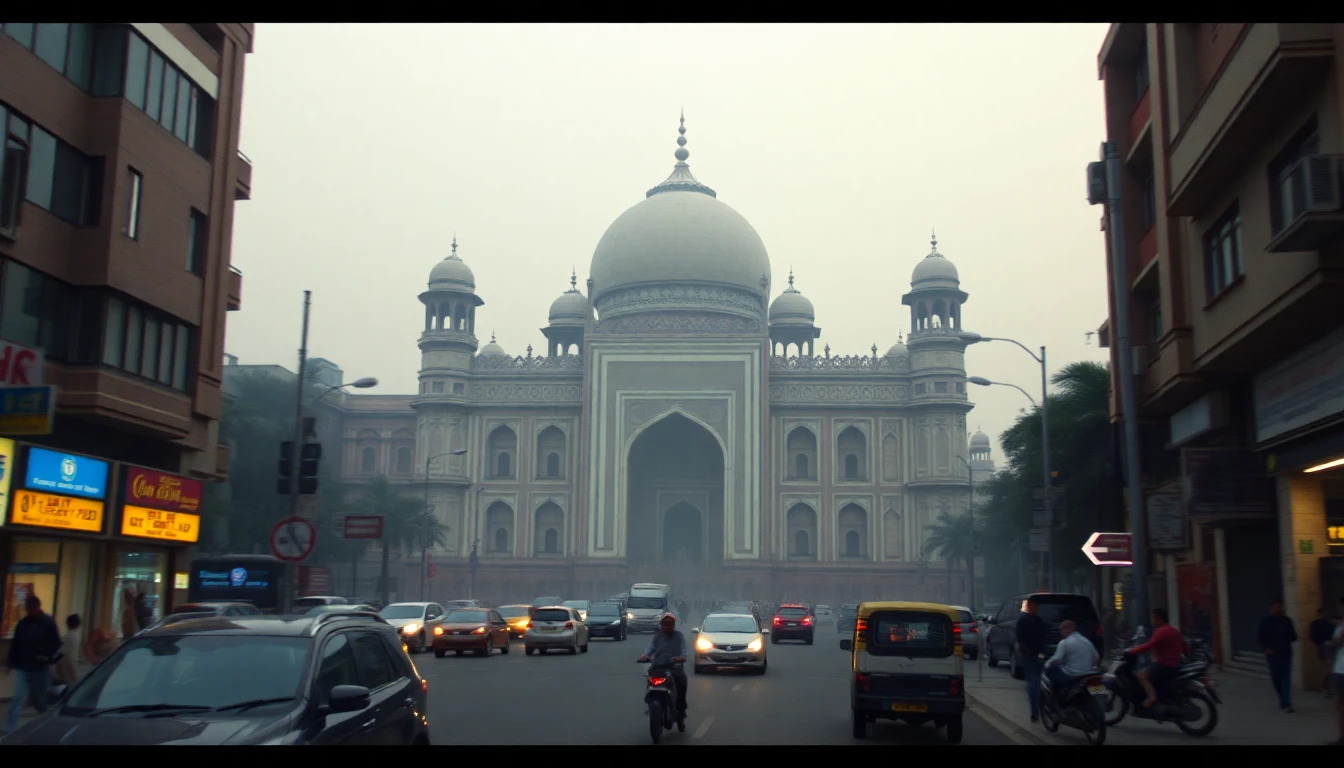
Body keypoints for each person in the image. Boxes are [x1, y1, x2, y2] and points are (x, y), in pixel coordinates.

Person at [4, 595, 63, 735]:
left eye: (31, 609)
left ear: (38, 607)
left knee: (41, 700)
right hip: (22, 666)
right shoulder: (23, 624)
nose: (29, 612)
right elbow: (16, 644)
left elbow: (56, 644)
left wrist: (46, 656)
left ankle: (48, 724)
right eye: (28, 609)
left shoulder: (48, 623)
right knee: (19, 697)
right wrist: (10, 663)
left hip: (40, 668)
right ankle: (9, 728)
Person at [1127, 608, 1188, 709]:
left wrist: (1132, 651)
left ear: (1158, 618)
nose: (1152, 621)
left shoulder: (1161, 631)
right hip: (1174, 664)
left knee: (1141, 675)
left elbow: (1149, 646)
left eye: (1153, 618)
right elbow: (1185, 647)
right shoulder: (1174, 631)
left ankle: (1151, 698)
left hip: (1163, 664)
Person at [637, 614, 688, 726]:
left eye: (670, 625)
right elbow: (651, 648)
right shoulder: (658, 636)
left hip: (675, 667)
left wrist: (681, 657)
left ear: (673, 625)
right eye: (665, 625)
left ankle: (681, 710)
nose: (667, 627)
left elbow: (684, 650)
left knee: (682, 682)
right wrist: (645, 656)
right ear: (661, 625)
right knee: (650, 681)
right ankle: (651, 702)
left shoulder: (679, 636)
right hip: (658, 666)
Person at [1259, 598, 1298, 713]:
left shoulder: (1287, 621)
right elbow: (1261, 637)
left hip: (1285, 653)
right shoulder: (1266, 621)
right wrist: (1266, 649)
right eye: (1276, 607)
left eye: (1280, 607)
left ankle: (1286, 702)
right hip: (1272, 654)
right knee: (1276, 678)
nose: (1278, 609)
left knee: (1285, 678)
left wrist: (1288, 638)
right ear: (1271, 608)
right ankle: (1282, 698)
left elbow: (1293, 636)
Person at [1015, 596, 1046, 723]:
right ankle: (1035, 712)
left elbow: (1043, 637)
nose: (1035, 608)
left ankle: (1041, 710)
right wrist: (1027, 652)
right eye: (1033, 605)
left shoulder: (1038, 620)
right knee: (1034, 683)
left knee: (1037, 683)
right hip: (1030, 656)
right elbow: (1020, 639)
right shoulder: (1024, 621)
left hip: (1038, 655)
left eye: (1036, 606)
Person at [1043, 619, 1100, 689]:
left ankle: (1058, 697)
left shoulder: (1064, 642)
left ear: (1068, 629)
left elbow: (1057, 659)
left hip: (1072, 675)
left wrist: (1047, 664)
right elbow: (1096, 657)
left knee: (1050, 672)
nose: (1061, 632)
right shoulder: (1086, 640)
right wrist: (1091, 667)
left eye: (1061, 629)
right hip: (1089, 674)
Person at [1310, 606, 1336, 699]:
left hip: (1331, 647)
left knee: (1330, 670)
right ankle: (1324, 688)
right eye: (1323, 613)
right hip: (1323, 648)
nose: (1325, 615)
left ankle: (1326, 688)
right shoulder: (1315, 624)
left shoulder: (1330, 624)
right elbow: (1313, 637)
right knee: (1328, 670)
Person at [51, 614, 82, 686]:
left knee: (65, 684)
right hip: (72, 663)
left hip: (66, 665)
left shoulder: (69, 636)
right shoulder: (76, 634)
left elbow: (61, 651)